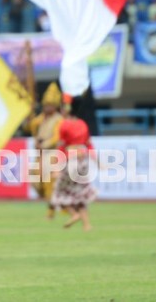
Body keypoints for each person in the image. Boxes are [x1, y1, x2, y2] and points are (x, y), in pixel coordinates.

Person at [51, 94, 97, 231]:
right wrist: (96, 160)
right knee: (80, 194)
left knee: (58, 192)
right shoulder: (83, 124)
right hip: (83, 161)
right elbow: (89, 144)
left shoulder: (64, 125)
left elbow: (61, 146)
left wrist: (56, 167)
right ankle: (87, 225)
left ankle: (74, 214)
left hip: (71, 160)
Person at [25, 83, 65, 218]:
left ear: (55, 106)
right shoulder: (41, 118)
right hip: (41, 154)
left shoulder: (59, 119)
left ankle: (51, 210)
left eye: (50, 105)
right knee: (34, 180)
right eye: (46, 105)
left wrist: (44, 144)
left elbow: (57, 137)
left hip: (52, 153)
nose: (47, 107)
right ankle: (54, 202)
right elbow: (30, 126)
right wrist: (30, 112)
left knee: (49, 182)